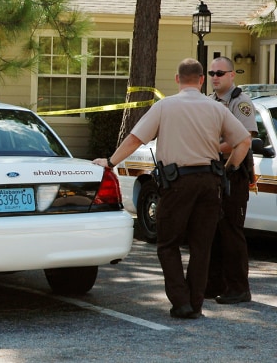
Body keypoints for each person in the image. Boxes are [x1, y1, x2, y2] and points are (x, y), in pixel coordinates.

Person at [93, 58, 251, 319]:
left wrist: (110, 162)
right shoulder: (216, 108)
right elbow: (243, 141)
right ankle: (196, 303)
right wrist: (228, 170)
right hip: (210, 183)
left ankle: (181, 302)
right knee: (202, 246)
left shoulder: (164, 106)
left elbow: (135, 138)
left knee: (168, 244)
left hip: (178, 183)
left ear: (177, 80)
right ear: (201, 80)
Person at [205, 56, 258, 304]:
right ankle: (214, 283)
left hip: (233, 174)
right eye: (211, 73)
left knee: (232, 232)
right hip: (215, 172)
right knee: (214, 231)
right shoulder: (209, 103)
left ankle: (239, 288)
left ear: (231, 75)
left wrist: (209, 146)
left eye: (220, 73)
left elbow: (242, 141)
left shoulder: (241, 103)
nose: (214, 77)